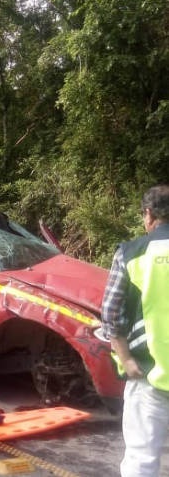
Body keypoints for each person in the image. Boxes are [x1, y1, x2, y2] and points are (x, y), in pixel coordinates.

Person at [101, 184, 169, 477]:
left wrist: (126, 359)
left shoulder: (131, 254)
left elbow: (111, 313)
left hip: (148, 375)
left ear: (148, 214)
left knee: (142, 461)